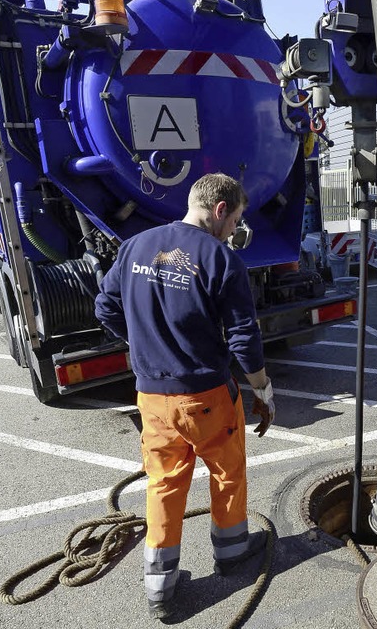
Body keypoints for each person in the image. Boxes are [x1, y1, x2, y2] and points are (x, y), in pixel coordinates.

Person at [95, 172, 275, 619]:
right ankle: (231, 552)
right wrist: (263, 390)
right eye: (235, 220)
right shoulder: (221, 259)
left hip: (152, 397)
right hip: (206, 393)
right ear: (219, 210)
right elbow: (243, 337)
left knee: (164, 483)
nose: (234, 229)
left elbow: (105, 307)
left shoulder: (136, 245)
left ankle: (159, 586)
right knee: (227, 471)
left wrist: (143, 344)